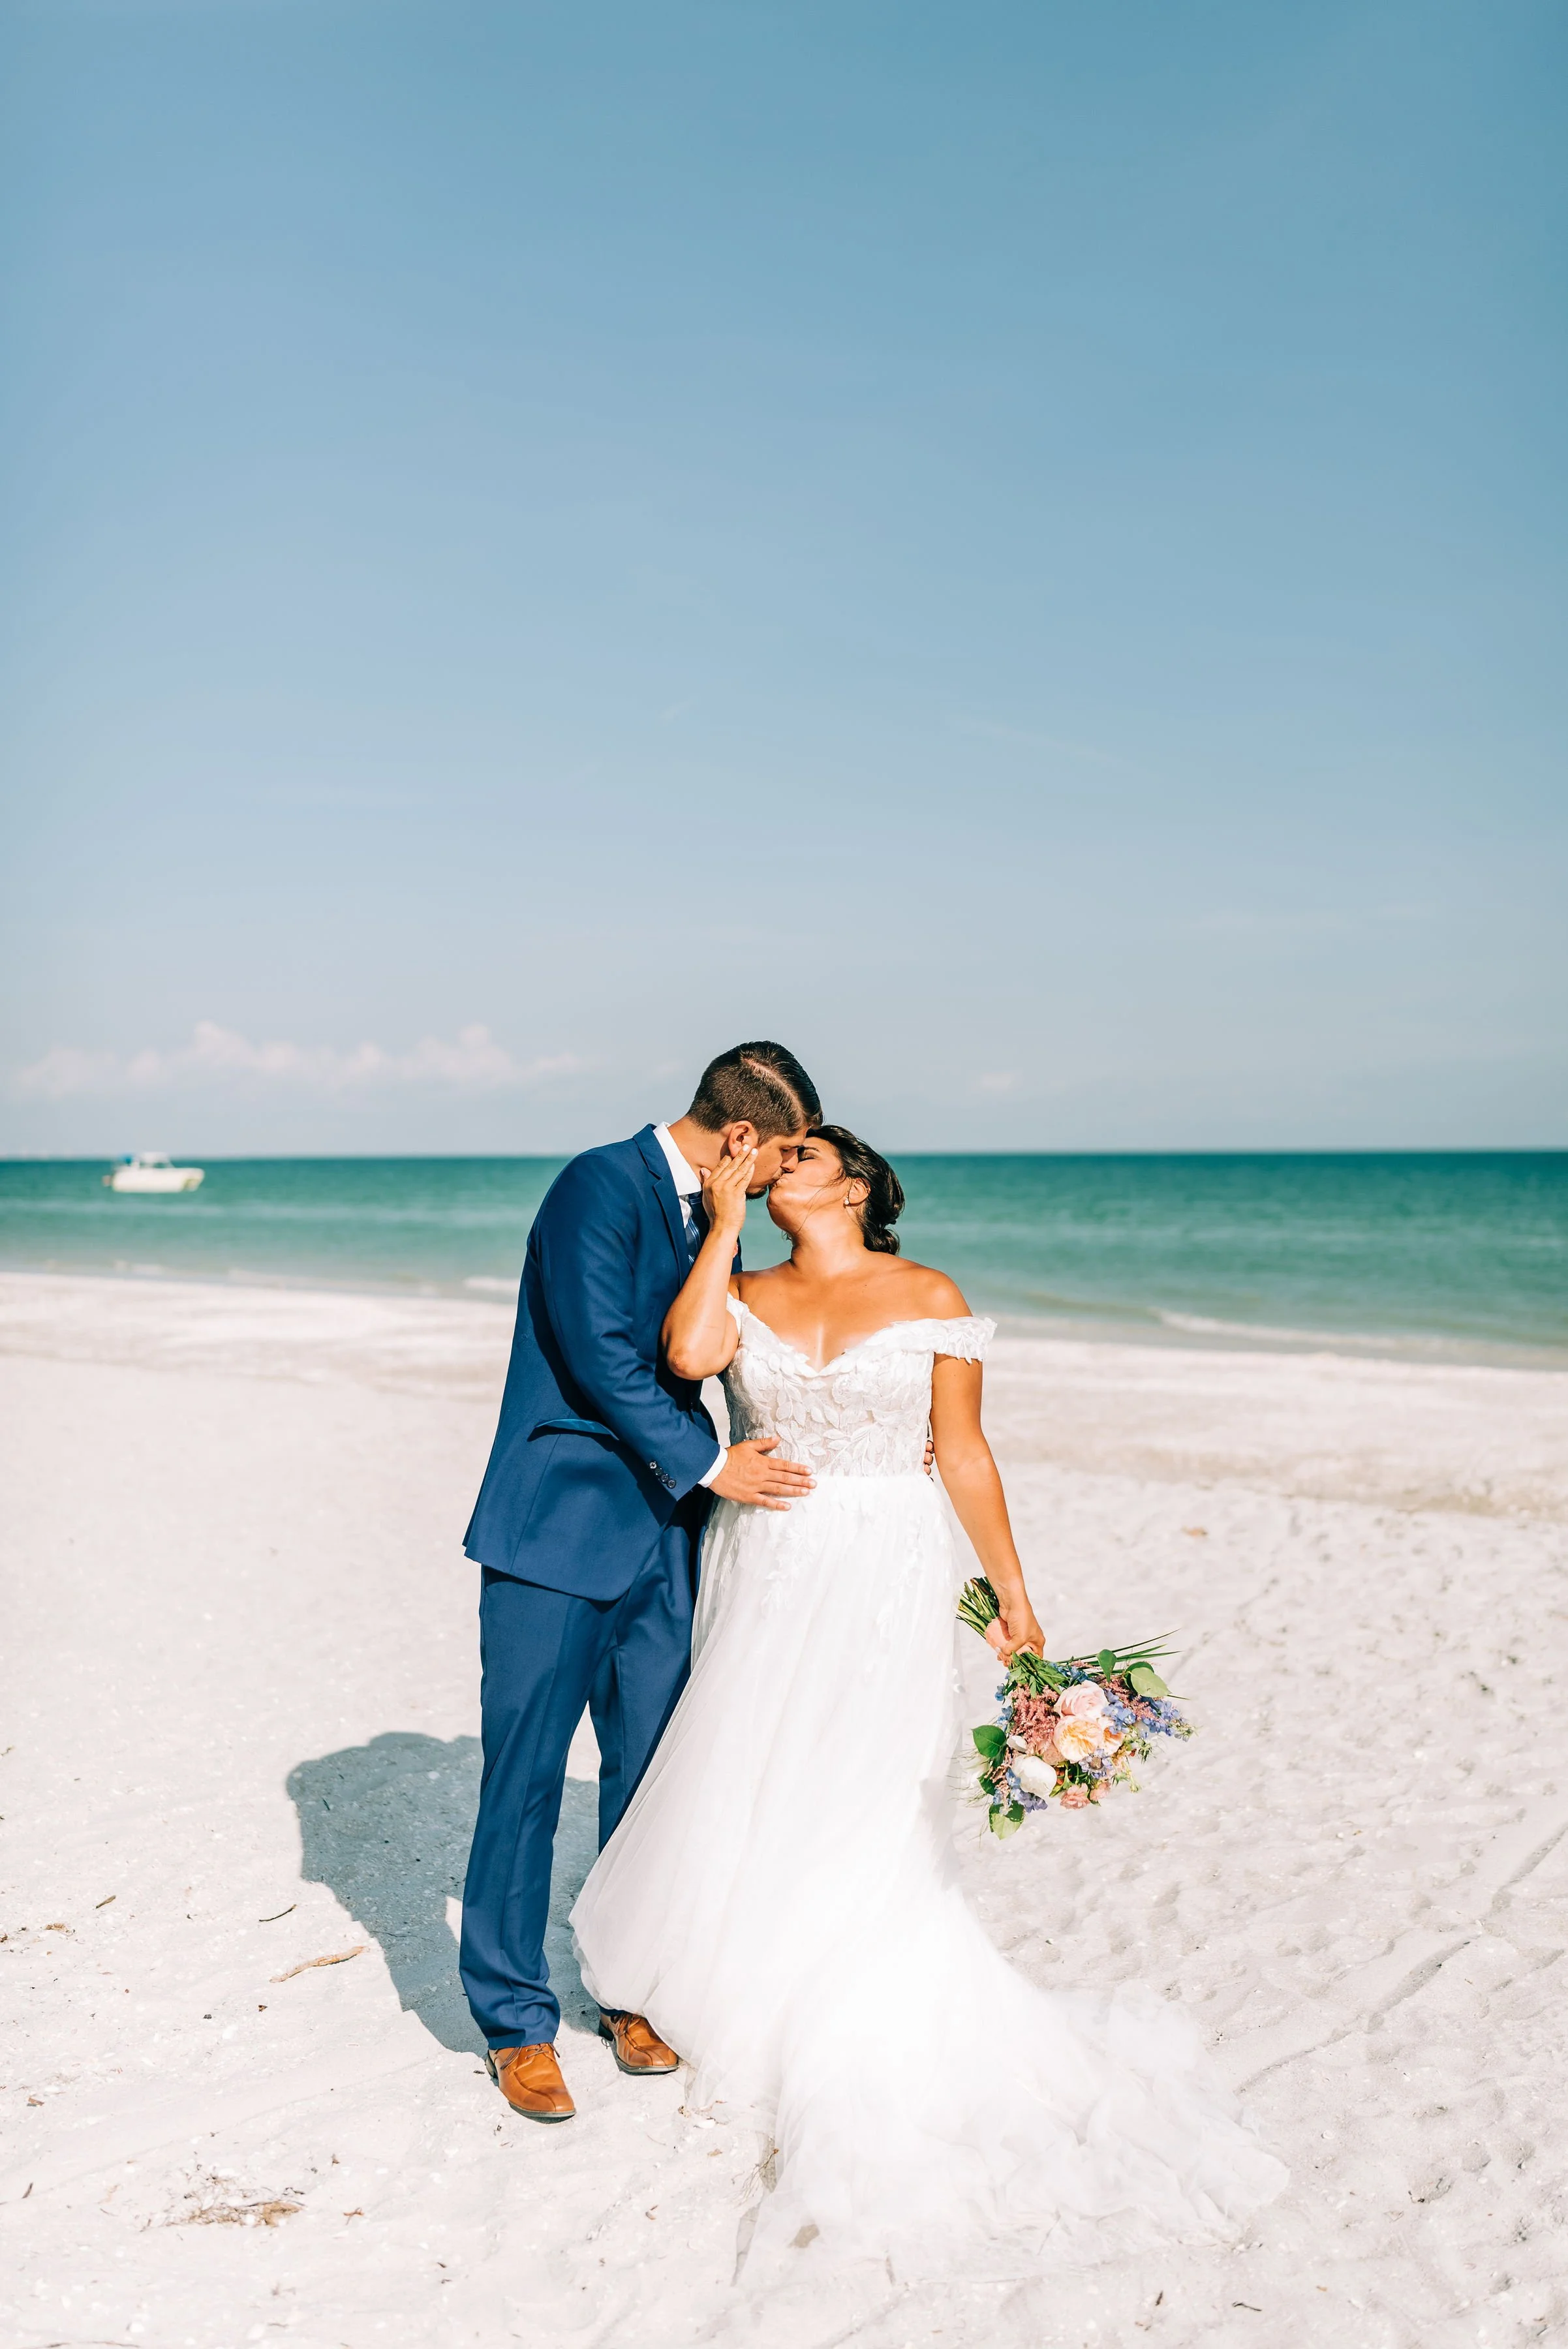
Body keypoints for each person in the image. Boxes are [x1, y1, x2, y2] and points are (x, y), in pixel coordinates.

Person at [571, 1124, 1286, 2271]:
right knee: (750, 1753)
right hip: (767, 1548)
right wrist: (718, 1226)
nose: (782, 1160)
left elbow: (961, 1450)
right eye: (775, 1153)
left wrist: (1014, 1598)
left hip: (887, 1558)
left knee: (863, 1768)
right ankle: (736, 1965)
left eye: (804, 1152)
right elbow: (697, 1360)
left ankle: (836, 1980)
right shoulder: (740, 1279)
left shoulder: (929, 1293)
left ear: (856, 1186)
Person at [458, 1042, 822, 2121]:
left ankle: (628, 1991)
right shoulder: (595, 1185)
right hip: (555, 1534)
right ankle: (514, 2022)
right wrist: (715, 1463)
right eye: (783, 1154)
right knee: (523, 1781)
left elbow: (714, 1344)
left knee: (651, 1779)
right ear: (742, 1136)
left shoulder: (718, 1212)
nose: (780, 1178)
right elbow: (600, 1352)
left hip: (667, 1538)